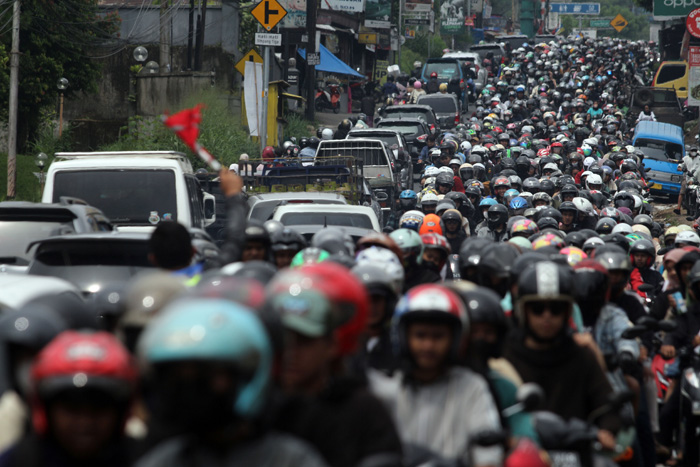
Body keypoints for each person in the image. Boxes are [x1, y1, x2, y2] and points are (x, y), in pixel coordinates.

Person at [134, 298, 327, 467]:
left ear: (246, 375)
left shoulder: (291, 461)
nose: (190, 390)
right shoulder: (162, 461)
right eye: (177, 378)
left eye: (204, 375)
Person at [268, 266, 403, 467]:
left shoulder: (365, 411)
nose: (291, 352)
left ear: (331, 343)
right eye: (284, 339)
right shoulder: (262, 408)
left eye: (304, 341)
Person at [369, 284, 504, 467]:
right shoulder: (385, 388)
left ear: (456, 339)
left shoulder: (472, 387)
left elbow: (488, 455)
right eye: (420, 335)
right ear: (403, 336)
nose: (428, 346)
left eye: (438, 336)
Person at [503, 261, 620, 452]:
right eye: (538, 308)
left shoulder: (581, 356)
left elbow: (606, 405)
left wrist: (607, 431)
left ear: (566, 312)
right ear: (524, 311)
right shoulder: (505, 356)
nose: (547, 316)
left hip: (576, 452)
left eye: (556, 308)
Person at [0, 331, 138, 467]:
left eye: (99, 408)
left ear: (121, 410)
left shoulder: (145, 458)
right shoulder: (18, 461)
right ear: (47, 408)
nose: (85, 422)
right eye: (72, 408)